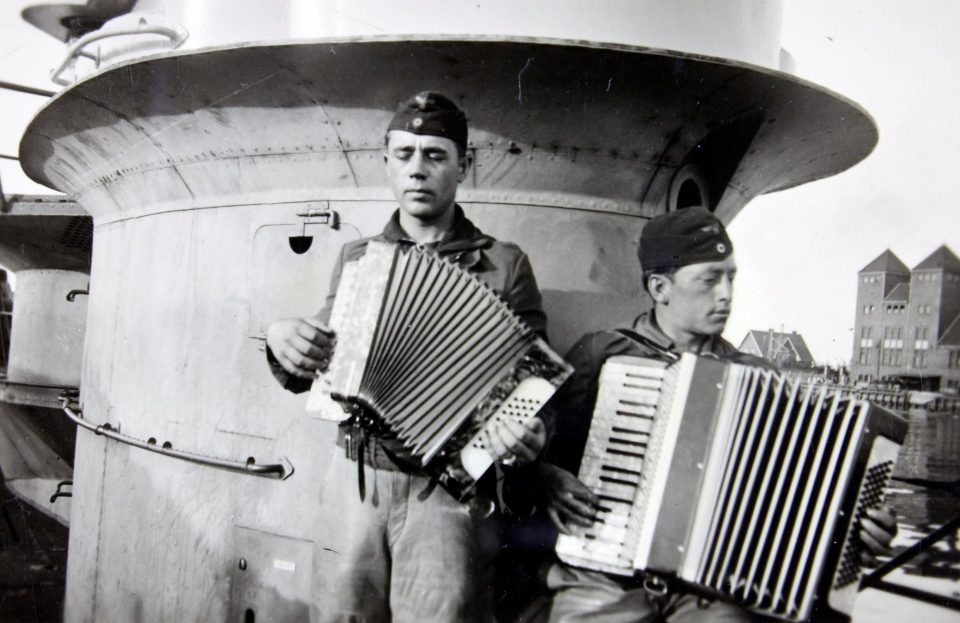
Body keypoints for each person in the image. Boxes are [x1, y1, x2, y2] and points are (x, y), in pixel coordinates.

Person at [535, 206, 898, 622]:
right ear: (659, 287)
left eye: (731, 277)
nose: (726, 293)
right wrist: (545, 477)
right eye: (709, 280)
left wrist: (860, 528)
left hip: (715, 592)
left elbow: (811, 496)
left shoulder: (758, 376)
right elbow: (536, 454)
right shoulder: (601, 353)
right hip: (603, 578)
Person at [265, 91, 549, 622]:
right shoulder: (359, 258)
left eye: (435, 155)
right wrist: (281, 340)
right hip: (357, 480)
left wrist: (528, 429)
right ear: (388, 163)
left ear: (462, 166)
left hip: (449, 496)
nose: (417, 170)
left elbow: (534, 390)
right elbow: (320, 369)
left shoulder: (504, 265)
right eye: (404, 154)